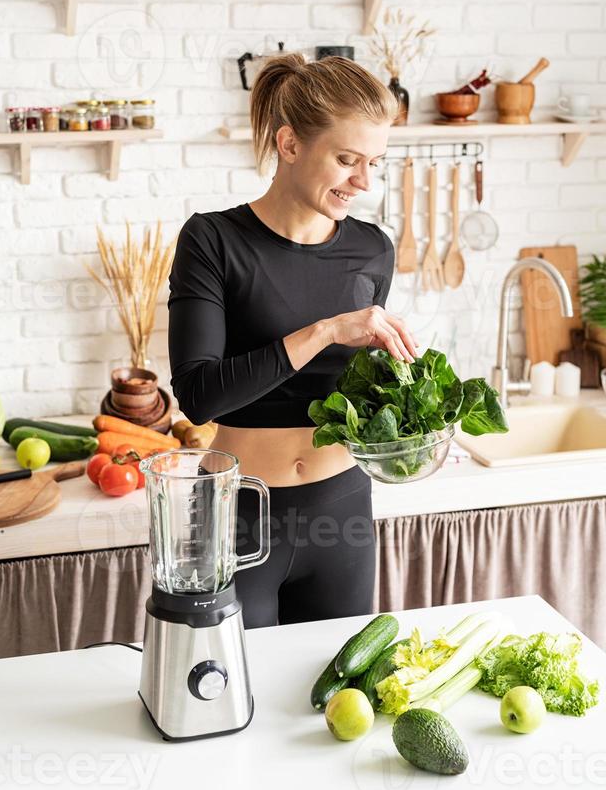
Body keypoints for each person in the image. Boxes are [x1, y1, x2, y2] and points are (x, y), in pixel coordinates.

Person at [168, 53, 418, 628]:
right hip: (240, 511)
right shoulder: (213, 240)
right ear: (288, 144)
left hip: (344, 509)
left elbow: (349, 391)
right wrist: (327, 330)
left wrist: (404, 389)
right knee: (230, 697)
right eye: (347, 159)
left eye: (374, 162)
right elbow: (201, 395)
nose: (364, 181)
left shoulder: (372, 249)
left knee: (335, 702)